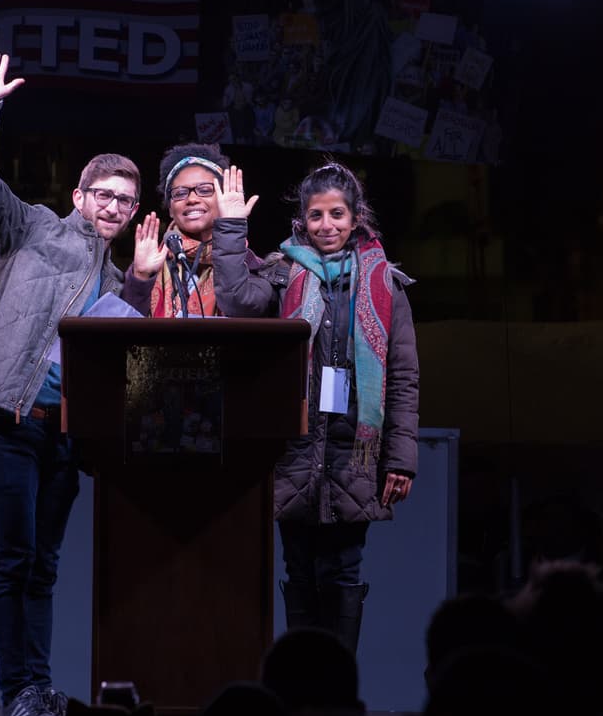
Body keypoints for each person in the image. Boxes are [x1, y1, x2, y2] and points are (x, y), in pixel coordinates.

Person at [0, 53, 141, 716]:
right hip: (9, 420)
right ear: (81, 197)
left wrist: (142, 283)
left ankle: (38, 686)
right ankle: (17, 692)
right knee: (15, 558)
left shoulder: (121, 282)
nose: (115, 207)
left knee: (44, 569)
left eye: (127, 199)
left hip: (66, 434)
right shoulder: (32, 227)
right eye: (105, 194)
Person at [211, 161, 419, 654]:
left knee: (343, 570)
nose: (326, 225)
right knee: (298, 569)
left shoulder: (385, 283)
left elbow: (404, 377)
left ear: (356, 217)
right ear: (302, 220)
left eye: (337, 214)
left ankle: (337, 691)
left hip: (354, 454)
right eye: (316, 215)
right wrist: (230, 227)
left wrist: (401, 459)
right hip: (293, 450)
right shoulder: (283, 274)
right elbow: (237, 302)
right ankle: (303, 687)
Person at [122, 143, 262, 318]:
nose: (192, 199)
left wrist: (231, 226)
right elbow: (125, 332)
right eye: (180, 193)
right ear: (170, 209)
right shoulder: (150, 265)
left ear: (224, 198)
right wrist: (140, 278)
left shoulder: (254, 267)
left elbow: (240, 306)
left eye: (204, 190)